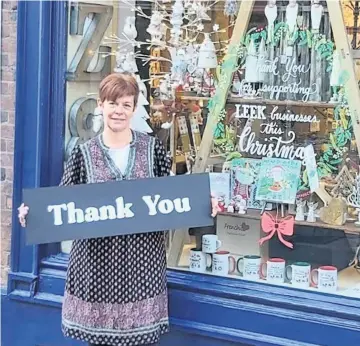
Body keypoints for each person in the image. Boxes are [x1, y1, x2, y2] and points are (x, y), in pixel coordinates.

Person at [17, 72, 220, 346]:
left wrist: (204, 203)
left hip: (141, 268)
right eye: (113, 103)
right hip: (96, 268)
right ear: (101, 105)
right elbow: (61, 203)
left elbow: (174, 199)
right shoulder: (83, 153)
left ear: (134, 109)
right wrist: (33, 214)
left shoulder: (153, 149)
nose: (119, 111)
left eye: (126, 105)